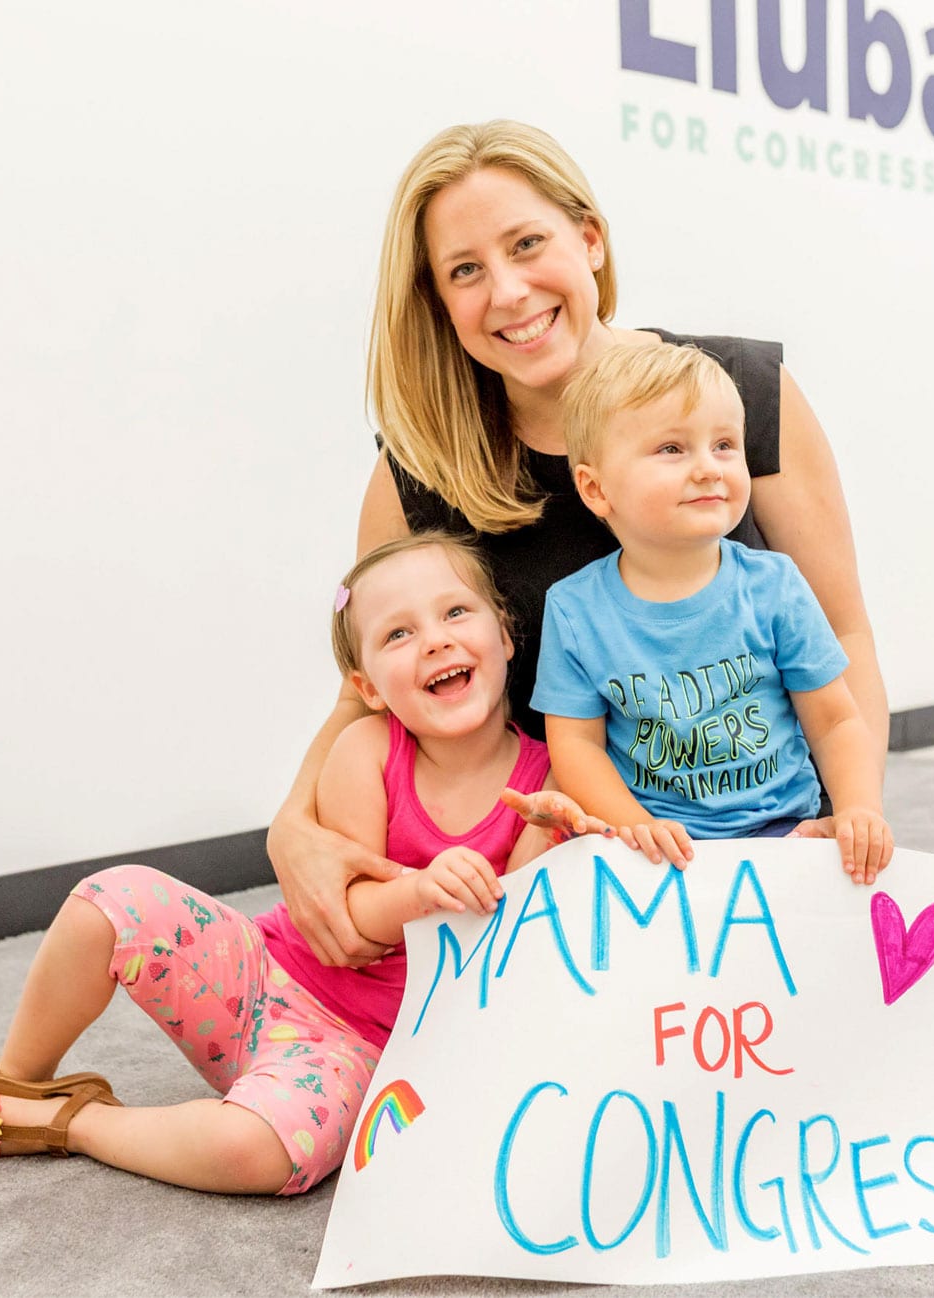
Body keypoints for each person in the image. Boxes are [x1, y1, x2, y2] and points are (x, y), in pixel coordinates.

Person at [268, 120, 891, 966]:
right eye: (466, 271)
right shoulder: (418, 468)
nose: (511, 293)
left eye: (529, 244)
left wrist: (855, 815)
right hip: (551, 872)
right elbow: (367, 692)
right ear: (440, 303)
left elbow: (843, 635)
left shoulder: (740, 393)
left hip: (770, 845)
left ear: (589, 239)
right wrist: (289, 830)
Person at [0, 534, 605, 1194]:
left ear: (507, 636)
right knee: (108, 900)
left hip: (364, 1047)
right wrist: (421, 889)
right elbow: (347, 919)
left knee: (252, 1153)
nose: (435, 641)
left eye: (455, 613)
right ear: (367, 687)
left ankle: (66, 1122)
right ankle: (14, 1080)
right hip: (267, 976)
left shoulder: (546, 784)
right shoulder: (365, 752)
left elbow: (505, 962)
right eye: (398, 633)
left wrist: (536, 851)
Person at [533, 342, 894, 884]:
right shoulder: (574, 610)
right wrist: (634, 826)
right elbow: (575, 746)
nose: (708, 468)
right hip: (654, 851)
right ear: (596, 488)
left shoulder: (773, 587)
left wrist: (858, 808)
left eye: (724, 444)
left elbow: (836, 719)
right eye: (672, 449)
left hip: (785, 833)